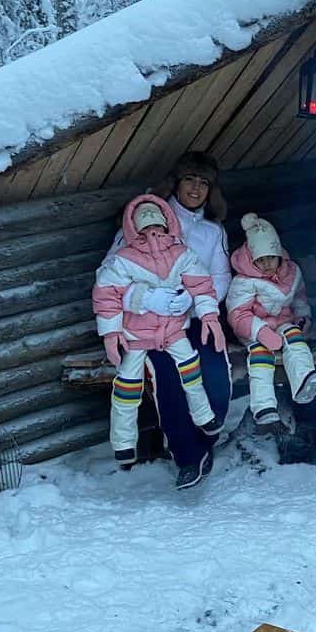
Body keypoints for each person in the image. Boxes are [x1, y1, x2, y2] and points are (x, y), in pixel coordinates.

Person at [103, 151, 233, 490]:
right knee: (169, 380)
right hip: (147, 327)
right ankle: (187, 456)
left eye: (204, 182)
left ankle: (206, 440)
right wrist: (146, 299)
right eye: (190, 179)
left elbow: (220, 277)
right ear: (176, 183)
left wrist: (193, 300)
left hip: (193, 320)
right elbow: (107, 276)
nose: (196, 188)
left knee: (216, 372)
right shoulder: (145, 223)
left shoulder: (212, 232)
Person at [226, 213, 316, 426]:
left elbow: (299, 298)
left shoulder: (292, 272)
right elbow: (237, 315)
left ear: (279, 254)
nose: (267, 264)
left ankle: (304, 381)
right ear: (252, 260)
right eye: (260, 260)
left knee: (295, 339)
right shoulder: (244, 281)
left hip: (282, 322)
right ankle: (263, 406)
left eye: (271, 257)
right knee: (261, 356)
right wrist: (261, 332)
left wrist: (302, 318)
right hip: (253, 328)